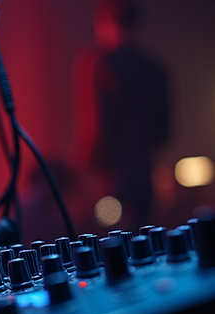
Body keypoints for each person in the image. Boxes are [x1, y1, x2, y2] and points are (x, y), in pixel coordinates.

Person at [71, 0, 170, 229]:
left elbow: (95, 129)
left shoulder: (97, 63)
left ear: (103, 23)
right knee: (142, 248)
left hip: (109, 182)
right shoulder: (156, 69)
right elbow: (164, 132)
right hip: (145, 180)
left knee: (106, 252)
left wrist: (79, 174)